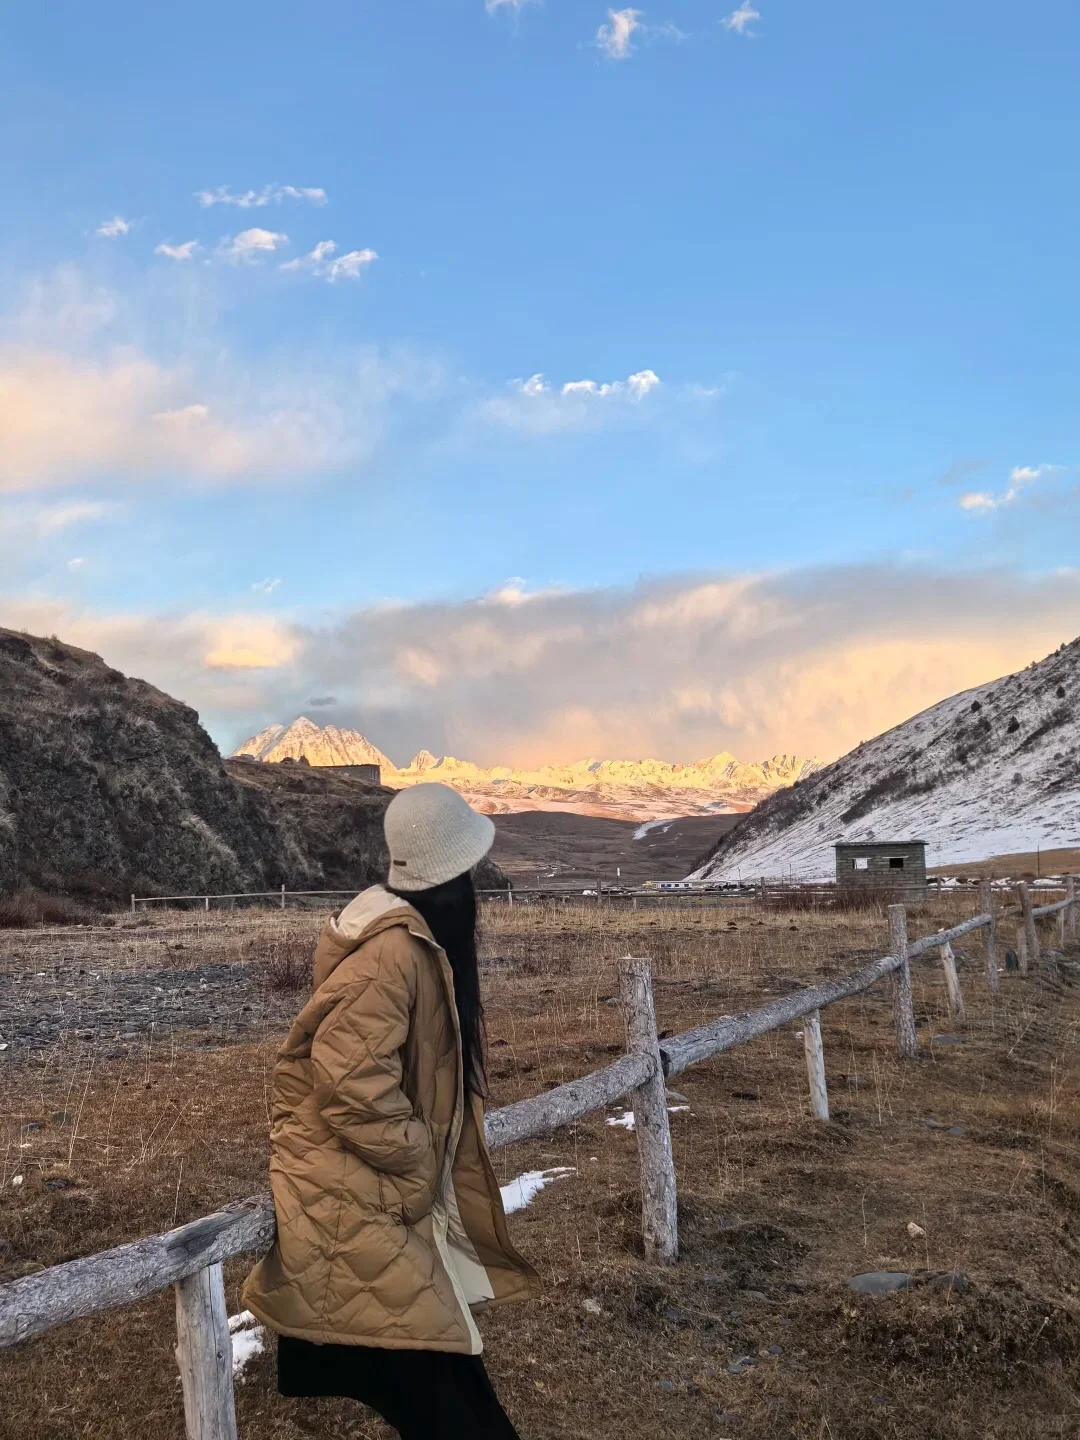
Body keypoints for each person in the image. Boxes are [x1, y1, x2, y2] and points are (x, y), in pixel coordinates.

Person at [244, 782, 538, 1439]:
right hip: (356, 1197)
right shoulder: (391, 956)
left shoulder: (410, 944)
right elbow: (350, 1080)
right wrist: (413, 1165)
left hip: (371, 1192)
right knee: (454, 1407)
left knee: (456, 1378)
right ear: (451, 879)